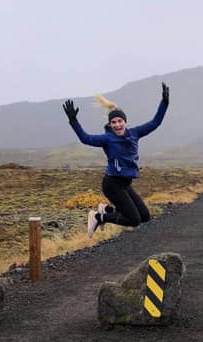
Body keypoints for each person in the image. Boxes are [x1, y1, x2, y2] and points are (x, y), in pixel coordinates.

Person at [62, 82, 170, 236]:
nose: (117, 125)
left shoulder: (135, 133)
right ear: (110, 124)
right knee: (134, 220)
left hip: (125, 184)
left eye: (120, 121)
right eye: (113, 122)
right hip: (112, 184)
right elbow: (85, 138)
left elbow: (155, 122)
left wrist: (164, 103)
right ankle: (98, 216)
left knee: (145, 217)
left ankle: (107, 210)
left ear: (125, 122)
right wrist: (73, 121)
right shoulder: (107, 139)